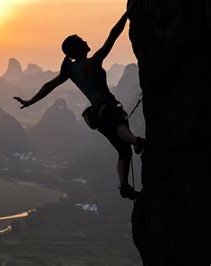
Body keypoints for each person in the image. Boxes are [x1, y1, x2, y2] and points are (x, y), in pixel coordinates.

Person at [13, 2, 144, 200]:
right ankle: (136, 141)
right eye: (81, 41)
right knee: (119, 128)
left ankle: (123, 184)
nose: (85, 41)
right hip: (107, 107)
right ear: (76, 49)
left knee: (123, 152)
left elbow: (49, 86)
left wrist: (30, 101)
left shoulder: (70, 71)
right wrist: (127, 15)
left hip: (96, 116)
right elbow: (112, 36)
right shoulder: (94, 61)